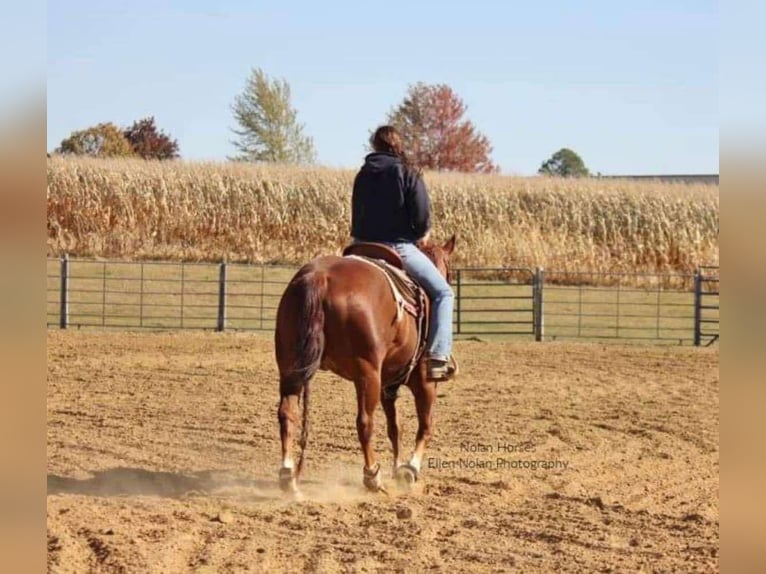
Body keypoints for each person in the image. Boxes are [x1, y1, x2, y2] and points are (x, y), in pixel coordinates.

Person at [351, 125, 455, 381]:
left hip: (361, 246)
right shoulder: (408, 172)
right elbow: (421, 219)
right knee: (443, 293)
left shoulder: (363, 174)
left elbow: (356, 212)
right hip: (397, 247)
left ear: (374, 146)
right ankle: (438, 356)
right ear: (398, 145)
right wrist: (422, 235)